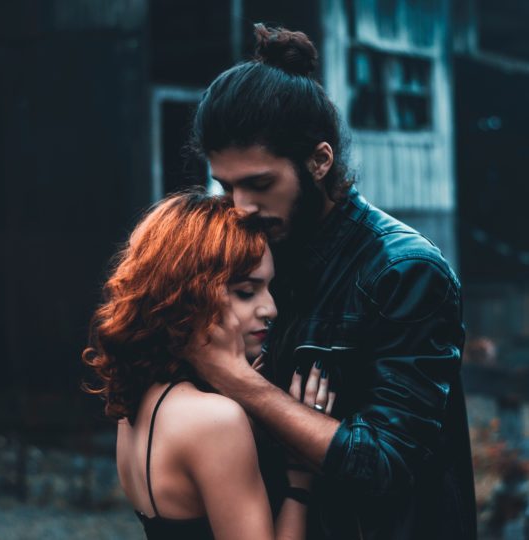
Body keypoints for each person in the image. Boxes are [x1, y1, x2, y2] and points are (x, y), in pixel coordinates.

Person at [187, 24, 478, 539]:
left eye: (260, 184)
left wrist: (238, 382)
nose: (241, 207)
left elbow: (386, 465)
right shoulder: (252, 256)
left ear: (320, 161)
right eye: (227, 186)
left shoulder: (403, 271)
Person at [82, 190, 335, 540]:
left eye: (269, 288)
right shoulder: (214, 420)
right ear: (190, 295)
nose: (270, 309)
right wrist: (300, 480)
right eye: (246, 292)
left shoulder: (136, 404)